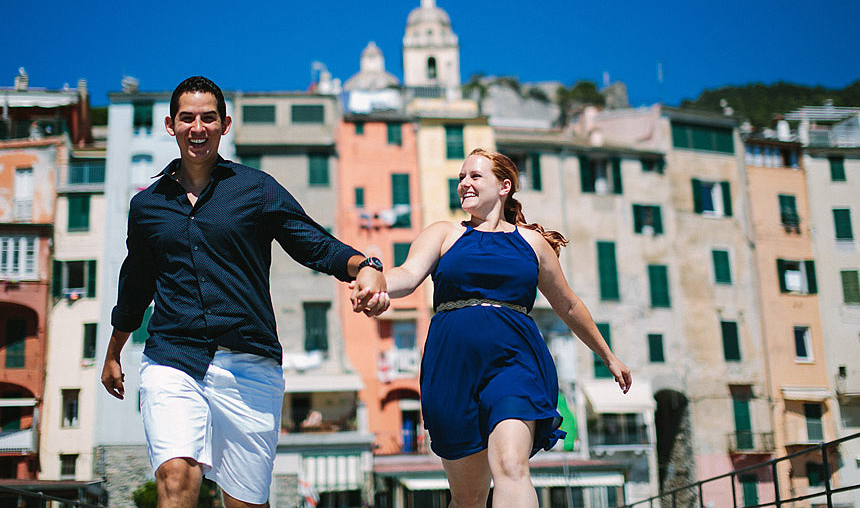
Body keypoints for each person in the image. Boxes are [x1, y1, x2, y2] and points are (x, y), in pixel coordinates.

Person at [101, 76, 388, 508]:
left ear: (225, 125)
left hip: (249, 364)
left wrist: (364, 265)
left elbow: (311, 241)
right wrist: (113, 351)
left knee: (246, 504)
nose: (198, 128)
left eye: (208, 118)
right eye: (187, 118)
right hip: (172, 356)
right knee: (177, 478)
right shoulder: (147, 206)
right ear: (170, 125)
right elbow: (136, 282)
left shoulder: (255, 188)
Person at [375, 148, 631, 507]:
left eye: (475, 176)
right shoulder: (443, 233)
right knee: (468, 498)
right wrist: (378, 283)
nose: (464, 183)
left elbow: (569, 304)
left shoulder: (531, 242)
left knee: (511, 464)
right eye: (461, 177)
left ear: (504, 186)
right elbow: (408, 274)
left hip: (516, 361)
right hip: (452, 368)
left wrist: (608, 356)